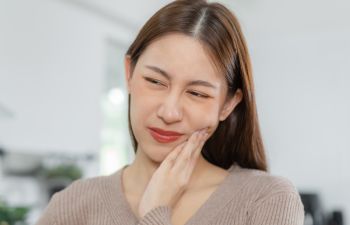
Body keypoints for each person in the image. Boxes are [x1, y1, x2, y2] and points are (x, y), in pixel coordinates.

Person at [36, 0, 305, 224]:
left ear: (228, 104)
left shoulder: (266, 200)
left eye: (197, 93)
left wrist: (155, 212)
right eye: (155, 82)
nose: (169, 112)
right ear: (129, 73)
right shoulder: (71, 206)